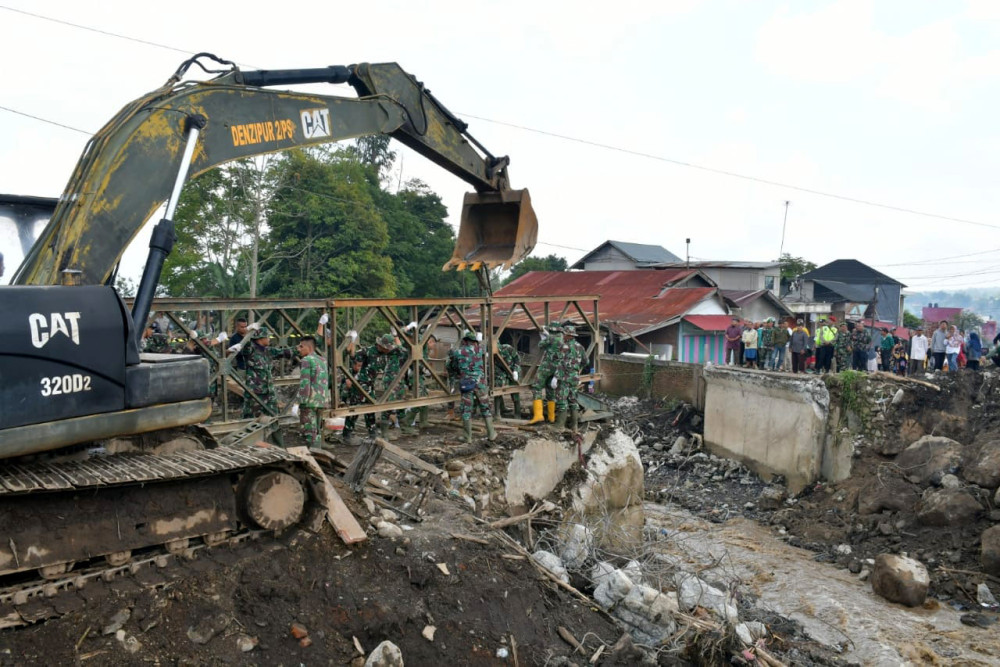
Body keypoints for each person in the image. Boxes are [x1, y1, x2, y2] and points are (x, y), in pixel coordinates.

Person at [447, 330, 497, 443]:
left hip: (467, 384)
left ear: (464, 341)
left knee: (466, 410)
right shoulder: (479, 350)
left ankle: (467, 437)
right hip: (480, 383)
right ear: (474, 342)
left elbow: (451, 363)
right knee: (485, 408)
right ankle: (492, 434)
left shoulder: (458, 352)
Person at [234, 326, 294, 419]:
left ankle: (272, 432)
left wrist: (301, 348)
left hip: (268, 391)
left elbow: (285, 352)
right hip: (255, 392)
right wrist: (248, 331)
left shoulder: (268, 351)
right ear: (261, 338)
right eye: (268, 337)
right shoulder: (251, 350)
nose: (269, 339)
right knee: (250, 418)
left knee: (273, 416)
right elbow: (245, 344)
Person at [294, 335, 330, 448]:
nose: (299, 349)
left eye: (301, 346)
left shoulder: (306, 360)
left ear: (309, 347)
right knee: (317, 430)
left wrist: (299, 402)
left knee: (310, 431)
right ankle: (318, 453)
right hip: (321, 400)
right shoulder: (322, 360)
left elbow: (305, 383)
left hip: (309, 401)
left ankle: (313, 456)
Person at [553, 325, 588, 431]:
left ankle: (559, 426)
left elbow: (559, 363)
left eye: (564, 334)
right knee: (573, 401)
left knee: (562, 401)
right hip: (574, 379)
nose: (563, 336)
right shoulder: (580, 346)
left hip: (564, 378)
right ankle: (574, 426)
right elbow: (585, 361)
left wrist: (555, 377)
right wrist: (577, 371)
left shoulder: (563, 347)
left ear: (568, 335)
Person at [529, 324, 565, 424]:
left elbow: (540, 345)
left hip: (547, 366)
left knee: (536, 387)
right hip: (557, 368)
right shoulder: (563, 338)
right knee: (550, 389)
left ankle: (538, 416)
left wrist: (545, 336)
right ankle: (551, 417)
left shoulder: (551, 338)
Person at [494, 341, 522, 418]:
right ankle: (499, 412)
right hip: (502, 372)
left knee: (515, 390)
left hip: (513, 371)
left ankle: (517, 413)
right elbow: (495, 367)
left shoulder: (507, 348)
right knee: (498, 387)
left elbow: (517, 359)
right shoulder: (491, 354)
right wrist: (501, 377)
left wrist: (515, 370)